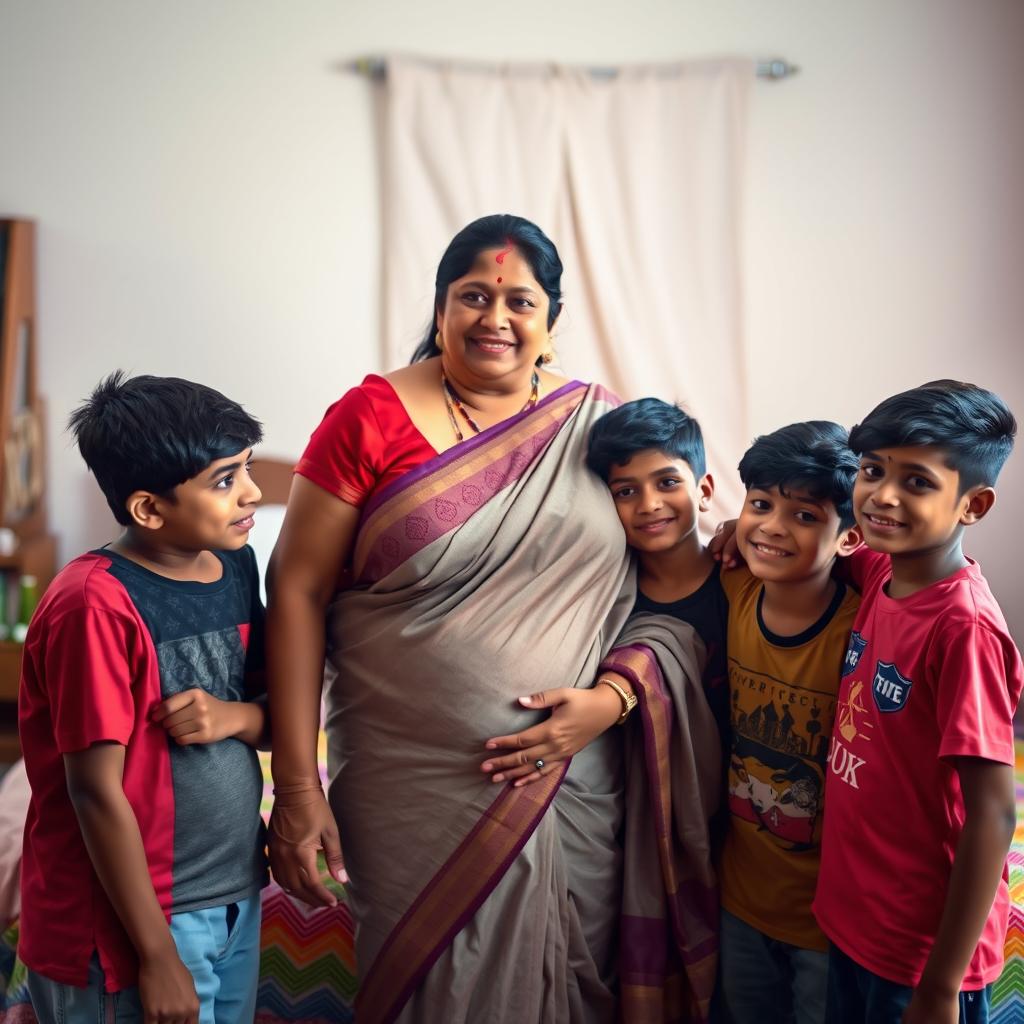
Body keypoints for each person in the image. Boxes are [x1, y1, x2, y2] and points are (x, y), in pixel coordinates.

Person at [266, 214, 720, 1023]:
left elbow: (665, 586)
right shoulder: (367, 417)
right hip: (409, 782)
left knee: (573, 978)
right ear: (440, 307)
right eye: (474, 295)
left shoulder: (596, 427)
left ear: (551, 322)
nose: (496, 318)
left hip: (572, 775)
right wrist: (298, 789)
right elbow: (296, 589)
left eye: (520, 300)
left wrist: (612, 700)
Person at [19, 373, 268, 1024]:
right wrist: (155, 954)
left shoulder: (235, 563)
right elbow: (94, 790)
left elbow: (270, 708)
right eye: (225, 480)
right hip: (133, 923)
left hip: (233, 893)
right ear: (149, 510)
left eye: (246, 468)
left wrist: (233, 717)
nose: (253, 493)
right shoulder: (93, 607)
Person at [813, 381, 1023, 1024]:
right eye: (873, 471)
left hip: (921, 954)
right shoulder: (883, 571)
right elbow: (820, 550)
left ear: (973, 504)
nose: (883, 495)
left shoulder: (963, 630)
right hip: (854, 918)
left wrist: (939, 988)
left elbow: (993, 813)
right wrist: (742, 527)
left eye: (918, 482)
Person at [715, 421, 862, 1024]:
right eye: (760, 505)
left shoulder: (862, 633)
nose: (773, 526)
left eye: (804, 516)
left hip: (825, 918)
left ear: (849, 539)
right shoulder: (731, 588)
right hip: (740, 895)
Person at [586, 398, 729, 748]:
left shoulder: (741, 582)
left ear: (704, 491)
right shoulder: (607, 597)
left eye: (667, 482)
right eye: (626, 491)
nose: (649, 504)